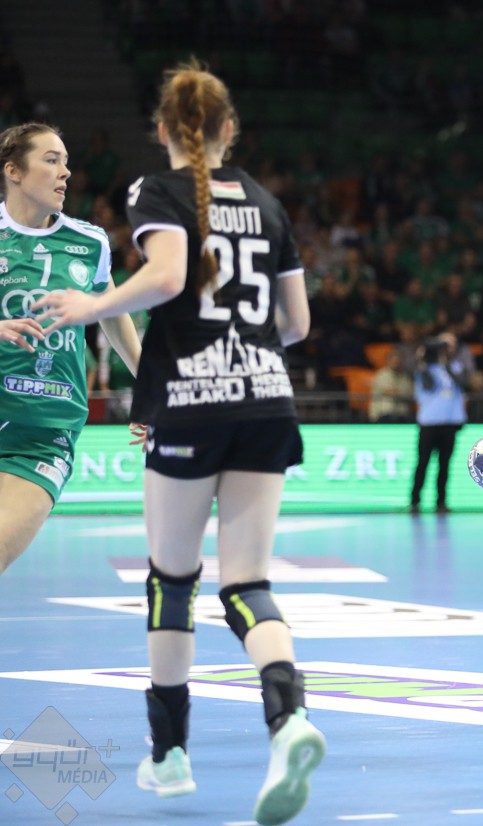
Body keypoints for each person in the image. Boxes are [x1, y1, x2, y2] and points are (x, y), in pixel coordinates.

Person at [31, 61, 324, 824]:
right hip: (267, 400)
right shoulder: (267, 204)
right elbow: (297, 325)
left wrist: (89, 306)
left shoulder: (156, 192)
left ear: (163, 130)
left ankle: (168, 756)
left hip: (190, 403)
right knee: (248, 583)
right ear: (231, 130)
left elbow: (165, 277)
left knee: (172, 580)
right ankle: (289, 717)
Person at [0, 122, 141, 574]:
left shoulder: (89, 241)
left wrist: (152, 387)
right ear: (13, 171)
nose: (65, 172)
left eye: (66, 162)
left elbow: (111, 312)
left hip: (44, 432)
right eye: (51, 160)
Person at [409, 329, 468, 513]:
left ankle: (441, 502)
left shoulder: (455, 367)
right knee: (423, 463)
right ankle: (414, 501)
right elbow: (428, 385)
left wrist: (446, 364)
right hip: (429, 423)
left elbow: (463, 384)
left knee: (444, 465)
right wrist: (423, 360)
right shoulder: (423, 369)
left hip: (449, 423)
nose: (448, 349)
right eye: (444, 345)